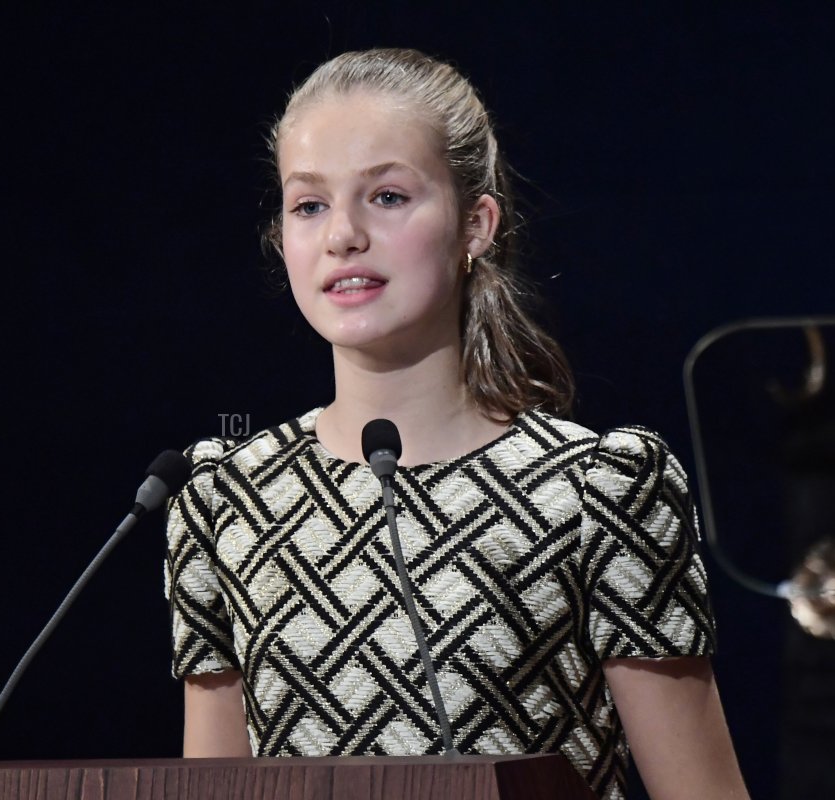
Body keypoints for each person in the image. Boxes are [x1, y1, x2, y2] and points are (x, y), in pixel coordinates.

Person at [165, 48, 748, 799]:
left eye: (387, 197)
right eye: (309, 205)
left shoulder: (597, 493)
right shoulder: (226, 500)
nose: (342, 234)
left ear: (476, 224)